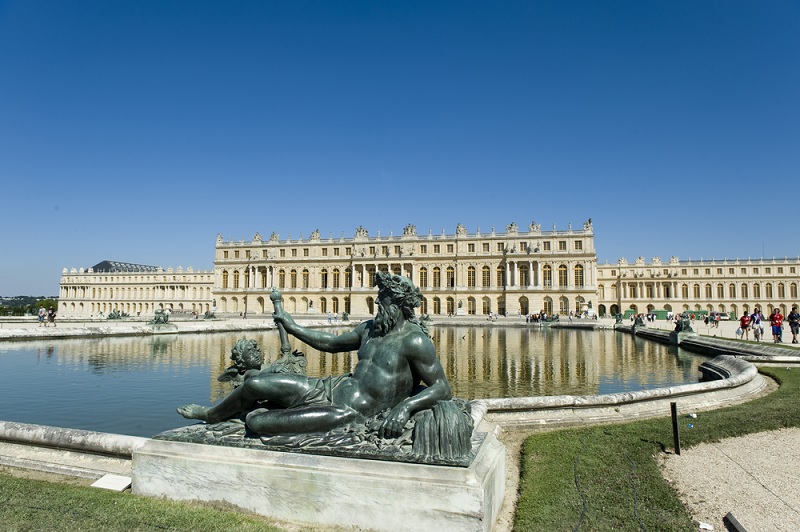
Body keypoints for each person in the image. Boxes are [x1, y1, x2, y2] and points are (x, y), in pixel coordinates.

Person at [178, 272, 452, 439]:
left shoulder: (415, 340)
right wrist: (292, 324)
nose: (377, 302)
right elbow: (330, 343)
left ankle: (280, 413)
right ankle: (213, 414)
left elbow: (442, 388)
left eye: (383, 298)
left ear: (399, 304)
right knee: (254, 384)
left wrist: (405, 408)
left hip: (347, 412)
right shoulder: (371, 329)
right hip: (330, 388)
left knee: (256, 420)